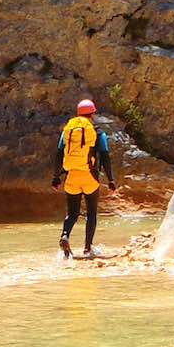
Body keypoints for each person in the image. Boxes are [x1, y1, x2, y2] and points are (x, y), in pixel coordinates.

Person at [51, 99, 115, 258]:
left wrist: (56, 177)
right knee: (91, 213)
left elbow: (59, 154)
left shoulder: (67, 132)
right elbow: (105, 156)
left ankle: (65, 235)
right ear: (92, 114)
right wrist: (111, 180)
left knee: (72, 213)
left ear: (78, 114)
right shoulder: (98, 133)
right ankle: (87, 248)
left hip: (71, 176)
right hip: (89, 177)